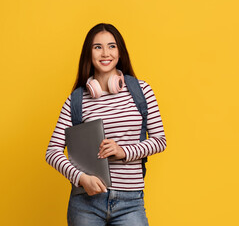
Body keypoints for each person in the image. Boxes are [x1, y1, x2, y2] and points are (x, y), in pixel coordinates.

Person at [45, 23, 166, 225]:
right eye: (97, 47)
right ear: (89, 53)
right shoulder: (77, 100)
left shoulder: (142, 91)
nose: (105, 53)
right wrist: (81, 178)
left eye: (111, 46)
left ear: (120, 52)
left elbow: (160, 141)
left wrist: (124, 151)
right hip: (85, 203)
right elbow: (52, 152)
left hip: (130, 202)